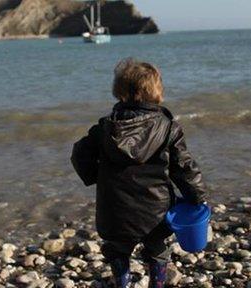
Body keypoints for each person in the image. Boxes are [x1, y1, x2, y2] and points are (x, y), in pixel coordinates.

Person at [71, 58, 209, 288]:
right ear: (156, 90)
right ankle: (157, 284)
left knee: (117, 250)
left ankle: (122, 283)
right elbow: (184, 167)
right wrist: (197, 197)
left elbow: (79, 155)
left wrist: (95, 177)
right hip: (154, 211)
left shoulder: (105, 128)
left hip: (114, 209)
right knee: (157, 249)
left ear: (119, 91)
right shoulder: (167, 128)